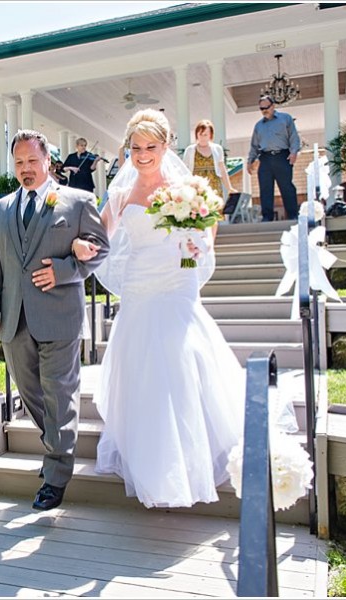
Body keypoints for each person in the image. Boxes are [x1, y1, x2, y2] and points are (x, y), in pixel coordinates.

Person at [72, 109, 245, 508]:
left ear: (166, 146)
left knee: (179, 366)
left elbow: (202, 244)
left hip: (176, 285)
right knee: (142, 372)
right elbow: (98, 237)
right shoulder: (119, 194)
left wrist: (189, 257)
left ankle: (187, 463)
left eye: (151, 147)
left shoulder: (187, 188)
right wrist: (81, 246)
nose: (143, 154)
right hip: (137, 287)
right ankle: (152, 465)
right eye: (136, 148)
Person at [0, 129, 109, 511]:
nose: (25, 169)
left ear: (47, 161)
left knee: (59, 393)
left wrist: (67, 270)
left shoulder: (78, 201)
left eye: (32, 161)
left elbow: (101, 250)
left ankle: (55, 475)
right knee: (31, 393)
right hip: (14, 318)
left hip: (60, 317)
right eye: (19, 162)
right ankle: (56, 444)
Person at [247, 94, 301, 221]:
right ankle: (267, 217)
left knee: (286, 186)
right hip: (265, 158)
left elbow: (293, 137)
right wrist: (250, 161)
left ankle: (293, 214)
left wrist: (294, 152)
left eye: (267, 107)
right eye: (261, 108)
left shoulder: (285, 119)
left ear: (273, 106)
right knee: (265, 188)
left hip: (282, 156)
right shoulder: (258, 126)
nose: (264, 110)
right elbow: (254, 144)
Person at [183, 120, 238, 199]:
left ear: (210, 135)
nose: (202, 137)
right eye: (200, 134)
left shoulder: (217, 149)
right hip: (197, 188)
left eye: (205, 135)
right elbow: (184, 170)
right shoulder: (190, 150)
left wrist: (229, 188)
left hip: (214, 187)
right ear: (196, 134)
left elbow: (222, 170)